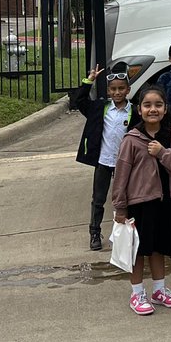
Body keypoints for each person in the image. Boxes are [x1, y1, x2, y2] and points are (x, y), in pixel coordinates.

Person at [111, 85, 171, 315]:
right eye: (147, 105)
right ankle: (137, 293)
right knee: (137, 250)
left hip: (165, 202)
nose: (152, 109)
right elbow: (121, 175)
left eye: (158, 105)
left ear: (165, 109)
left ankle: (159, 290)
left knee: (159, 248)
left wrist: (163, 153)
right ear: (139, 110)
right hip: (139, 204)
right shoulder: (131, 139)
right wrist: (120, 207)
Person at [71, 62, 134, 252]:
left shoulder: (135, 111)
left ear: (128, 90)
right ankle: (94, 232)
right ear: (108, 91)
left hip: (126, 164)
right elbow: (80, 101)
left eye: (121, 88)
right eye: (113, 89)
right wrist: (88, 81)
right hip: (104, 161)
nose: (117, 92)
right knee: (98, 199)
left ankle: (126, 233)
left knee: (126, 199)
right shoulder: (100, 107)